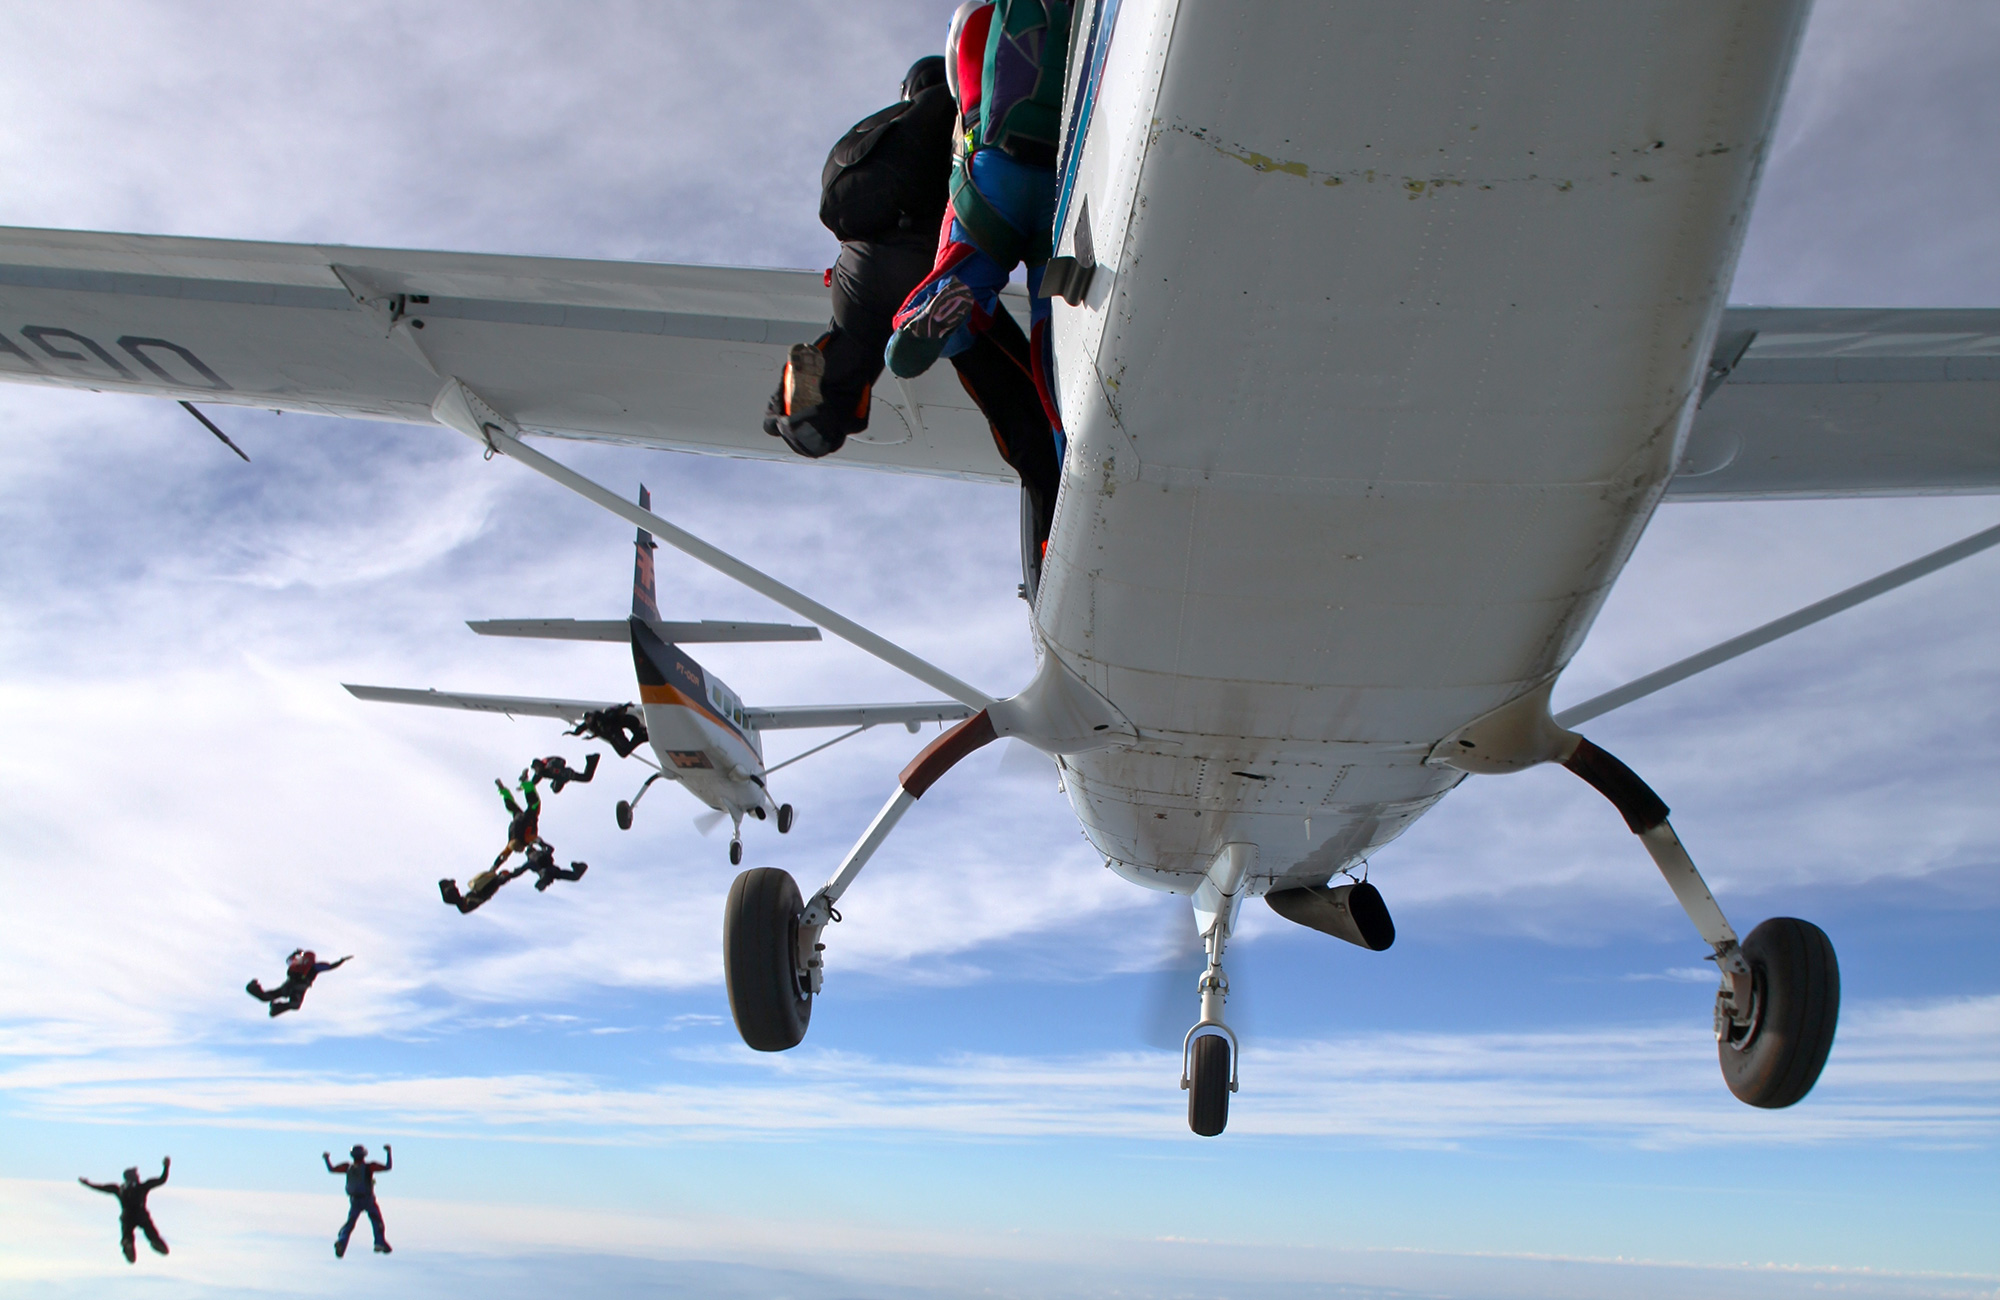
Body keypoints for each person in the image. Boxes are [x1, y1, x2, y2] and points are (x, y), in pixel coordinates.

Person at [766, 51, 1062, 594]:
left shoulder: (876, 130)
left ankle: (804, 406)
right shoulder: (962, 99)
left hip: (862, 270)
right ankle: (1056, 534)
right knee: (1026, 407)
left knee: (855, 346)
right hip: (935, 249)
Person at [885, 2, 1072, 464]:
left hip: (992, 177)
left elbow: (961, 91)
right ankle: (1067, 441)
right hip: (1060, 177)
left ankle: (935, 310)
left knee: (960, 273)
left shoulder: (969, 14)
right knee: (1054, 333)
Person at [79, 1158, 169, 1263]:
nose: (138, 1176)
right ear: (133, 1177)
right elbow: (162, 1180)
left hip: (127, 1217)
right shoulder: (142, 1187)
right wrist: (166, 1167)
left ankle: (128, 1244)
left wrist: (87, 1184)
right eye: (136, 1174)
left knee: (127, 1235)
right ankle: (154, 1242)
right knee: (150, 1233)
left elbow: (101, 1188)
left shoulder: (118, 1189)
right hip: (141, 1215)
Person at [324, 1143, 392, 1257]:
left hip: (354, 1200)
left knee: (350, 1223)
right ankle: (379, 1242)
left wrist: (326, 1159)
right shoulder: (369, 1167)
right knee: (376, 1220)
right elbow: (387, 1167)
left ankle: (342, 1241)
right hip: (368, 1199)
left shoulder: (348, 1167)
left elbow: (331, 1169)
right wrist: (389, 1152)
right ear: (364, 1155)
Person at [246, 949, 351, 1017]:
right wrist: (342, 960)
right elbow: (330, 966)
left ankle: (254, 988)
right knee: (295, 1005)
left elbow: (288, 961)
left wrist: (295, 954)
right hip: (299, 987)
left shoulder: (297, 962)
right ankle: (276, 1009)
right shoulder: (314, 966)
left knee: (268, 996)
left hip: (288, 984)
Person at [491, 768, 545, 869]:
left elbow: (535, 839)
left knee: (534, 803)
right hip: (518, 818)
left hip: (529, 817)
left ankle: (525, 783)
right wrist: (494, 867)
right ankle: (503, 791)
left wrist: (542, 844)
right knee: (511, 806)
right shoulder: (510, 843)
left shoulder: (525, 840)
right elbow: (503, 856)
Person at [439, 862, 528, 914]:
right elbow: (496, 866)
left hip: (476, 897)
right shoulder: (493, 877)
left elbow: (508, 875)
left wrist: (521, 869)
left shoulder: (496, 881)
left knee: (453, 898)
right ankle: (449, 888)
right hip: (475, 895)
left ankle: (449, 889)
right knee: (451, 897)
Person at [568, 705, 648, 759]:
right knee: (623, 754)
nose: (588, 720)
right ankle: (640, 737)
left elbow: (613, 714)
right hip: (612, 738)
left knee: (625, 746)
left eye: (589, 718)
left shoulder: (601, 718)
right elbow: (580, 729)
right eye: (587, 720)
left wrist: (624, 707)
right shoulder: (589, 724)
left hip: (617, 730)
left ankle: (640, 736)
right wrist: (574, 733)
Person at [523, 841, 588, 892]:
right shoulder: (535, 858)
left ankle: (579, 868)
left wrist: (541, 843)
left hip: (550, 871)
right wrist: (541, 843)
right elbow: (550, 849)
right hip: (553, 872)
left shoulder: (533, 860)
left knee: (546, 874)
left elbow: (550, 849)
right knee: (575, 877)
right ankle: (579, 868)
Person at [530, 752, 598, 793]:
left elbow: (562, 760)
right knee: (555, 790)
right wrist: (523, 786)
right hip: (561, 778)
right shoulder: (540, 773)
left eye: (536, 768)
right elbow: (533, 782)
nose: (536, 770)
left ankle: (592, 758)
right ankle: (592, 759)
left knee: (587, 777)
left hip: (566, 773)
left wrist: (556, 767)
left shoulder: (547, 762)